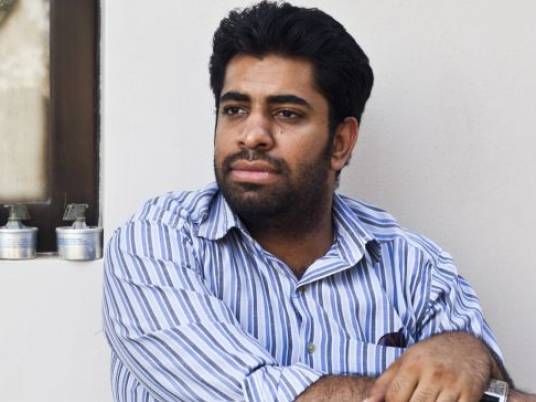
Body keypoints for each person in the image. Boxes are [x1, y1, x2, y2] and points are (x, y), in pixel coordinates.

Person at [103, 2, 535, 401]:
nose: (252, 135)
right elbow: (251, 394)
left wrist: (468, 352)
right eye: (235, 109)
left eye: (286, 113)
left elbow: (495, 392)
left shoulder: (415, 268)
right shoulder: (155, 243)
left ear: (341, 142)